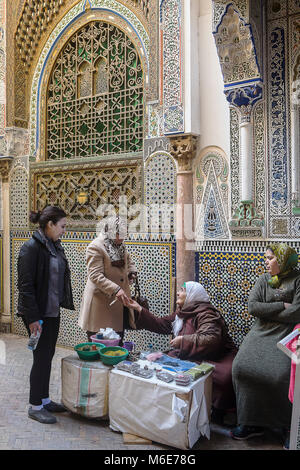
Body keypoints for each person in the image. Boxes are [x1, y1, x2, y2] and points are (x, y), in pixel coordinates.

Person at [124, 281, 237, 423]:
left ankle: (217, 411)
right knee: (161, 363)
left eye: (182, 290)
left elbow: (211, 339)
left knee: (224, 376)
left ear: (192, 295)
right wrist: (139, 309)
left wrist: (183, 339)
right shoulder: (183, 313)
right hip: (194, 354)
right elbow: (162, 324)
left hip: (217, 356)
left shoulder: (206, 314)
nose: (178, 292)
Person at [231, 243, 300, 449]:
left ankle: (288, 426)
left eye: (270, 258)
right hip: (260, 332)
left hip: (288, 335)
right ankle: (250, 422)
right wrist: (281, 306)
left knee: (281, 375)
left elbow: (297, 312)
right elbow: (253, 307)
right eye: (266, 258)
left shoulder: (298, 280)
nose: (266, 262)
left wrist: (269, 310)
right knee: (240, 367)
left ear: (282, 259)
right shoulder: (264, 280)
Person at [17, 206, 75, 424]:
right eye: (62, 226)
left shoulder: (53, 246)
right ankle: (34, 405)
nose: (64, 230)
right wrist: (32, 319)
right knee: (40, 358)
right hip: (36, 314)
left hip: (52, 312)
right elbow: (26, 287)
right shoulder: (31, 248)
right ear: (50, 224)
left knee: (47, 355)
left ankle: (44, 399)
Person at [78, 216, 137, 342]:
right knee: (99, 343)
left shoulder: (119, 244)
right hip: (101, 303)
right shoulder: (96, 247)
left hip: (118, 302)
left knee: (117, 342)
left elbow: (128, 259)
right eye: (119, 234)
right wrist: (115, 289)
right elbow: (95, 275)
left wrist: (131, 271)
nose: (122, 237)